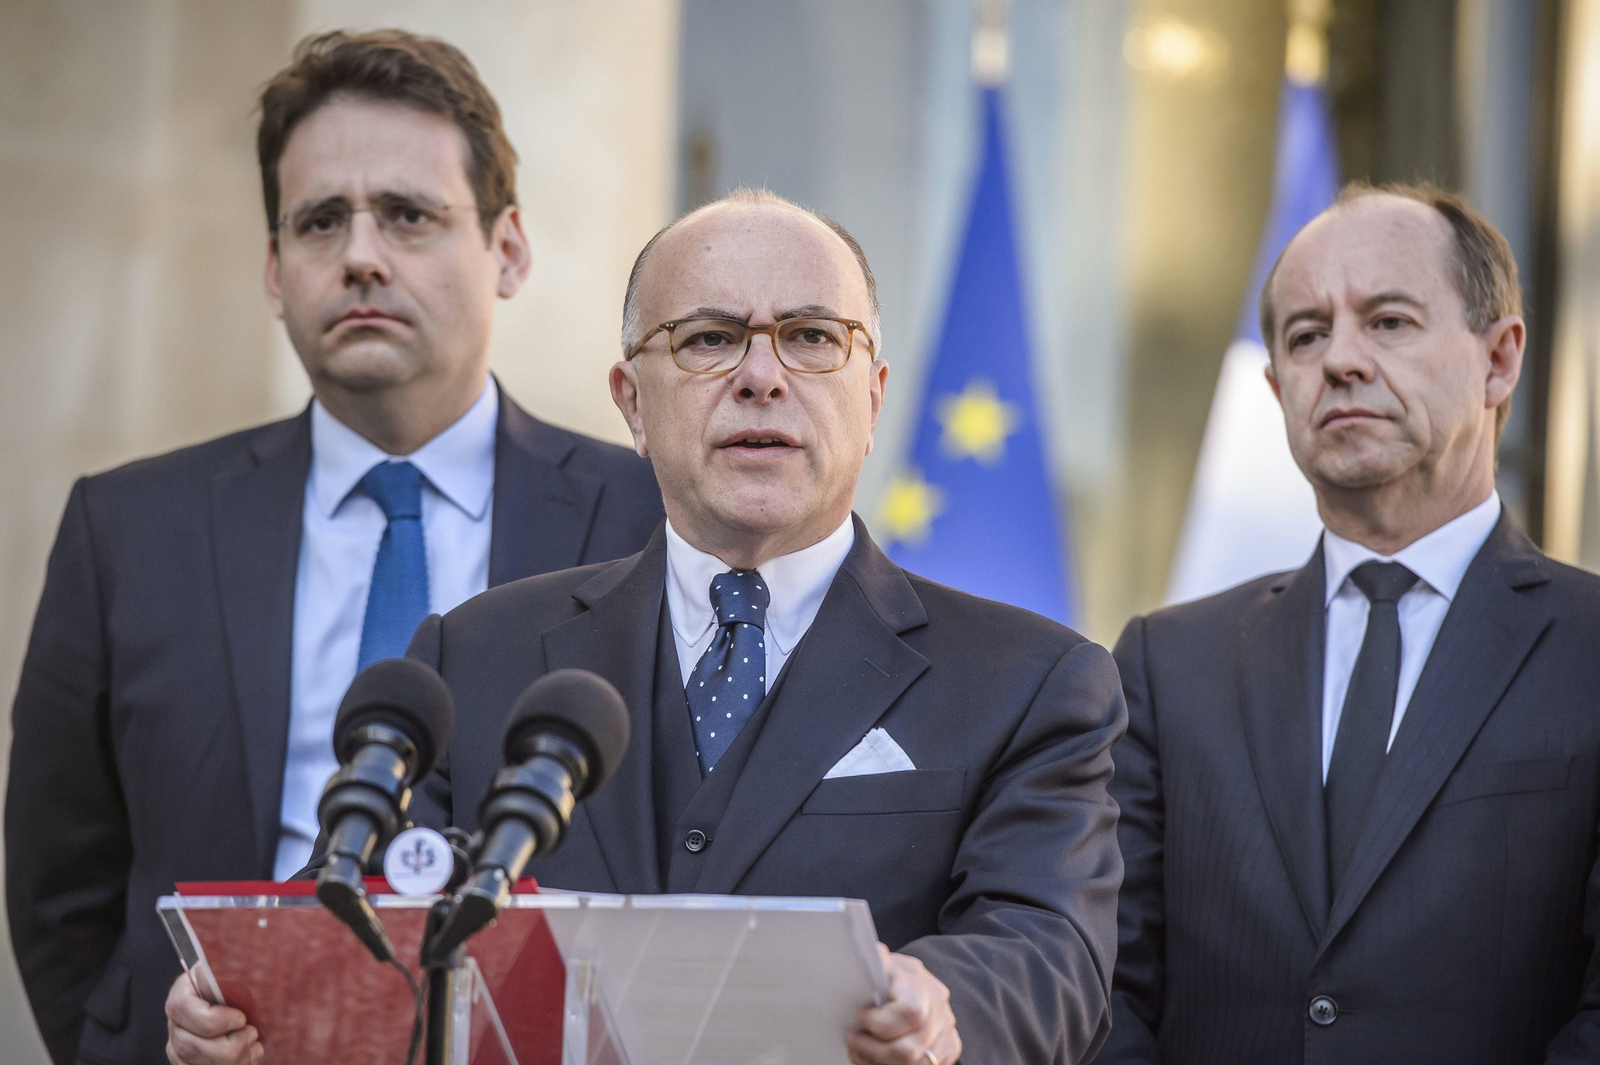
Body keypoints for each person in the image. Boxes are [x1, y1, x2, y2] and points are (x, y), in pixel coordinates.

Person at [163, 187, 1127, 1065]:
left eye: (811, 336)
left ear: (871, 397)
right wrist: (241, 999)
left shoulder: (1032, 680)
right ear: (632, 402)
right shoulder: (474, 654)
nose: (761, 376)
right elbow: (357, 914)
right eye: (709, 339)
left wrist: (941, 1002)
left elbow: (1048, 948)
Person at [7, 29, 663, 1065]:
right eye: (321, 222)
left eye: (408, 215)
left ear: (508, 249)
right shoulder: (130, 530)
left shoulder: (646, 519)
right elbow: (60, 877)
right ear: (275, 269)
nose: (361, 254)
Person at [1096, 183, 1600, 1064]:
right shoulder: (1167, 664)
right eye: (1306, 335)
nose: (1341, 360)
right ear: (1276, 386)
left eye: (1390, 321)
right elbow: (1105, 987)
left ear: (1501, 358)